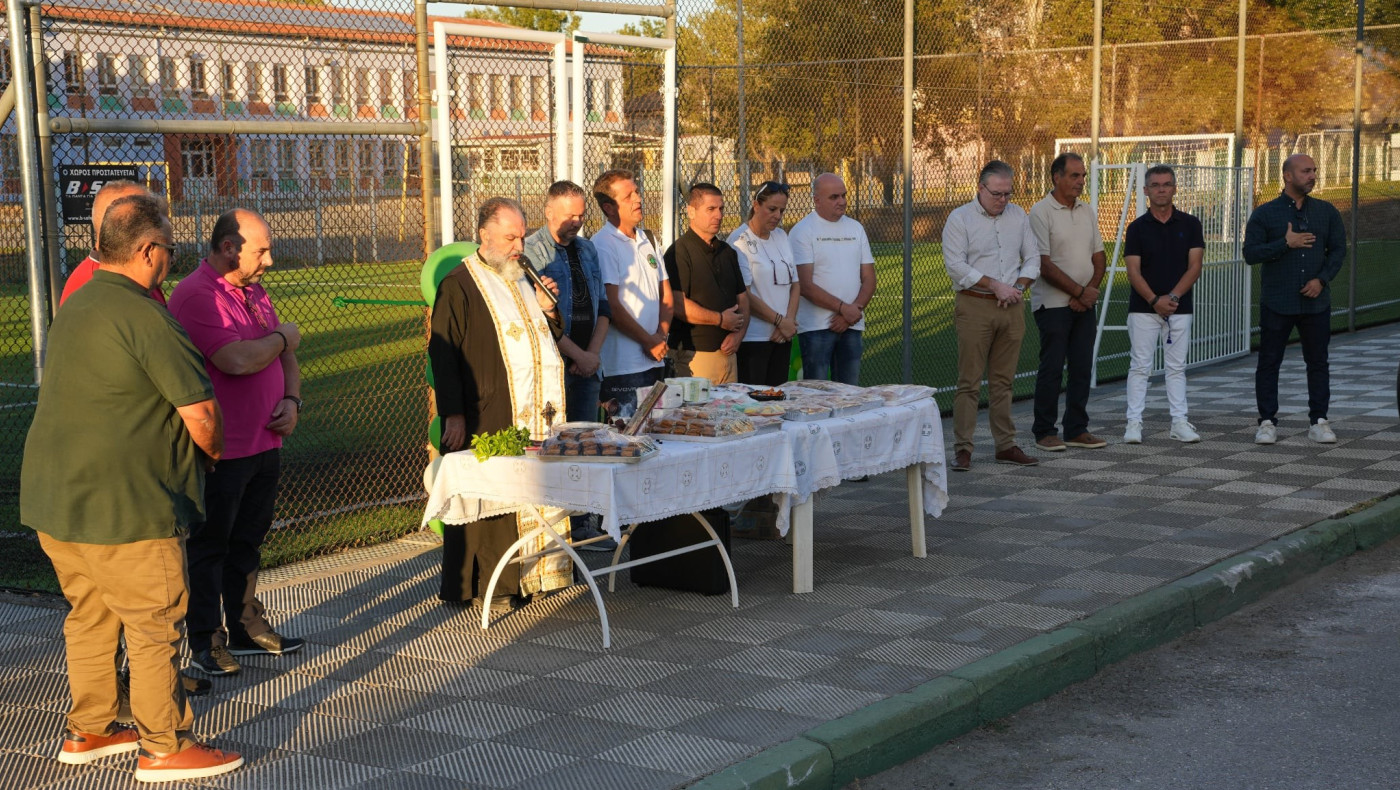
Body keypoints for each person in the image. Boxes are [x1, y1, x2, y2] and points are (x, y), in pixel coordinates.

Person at [20, 194, 243, 782]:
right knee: (154, 626)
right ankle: (164, 745)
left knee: (90, 616)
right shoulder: (147, 315)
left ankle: (90, 728)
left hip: (59, 503)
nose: (170, 257)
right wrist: (213, 456)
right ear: (148, 252)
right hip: (131, 507)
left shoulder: (80, 299)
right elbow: (200, 413)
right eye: (169, 248)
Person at [168, 209, 305, 677]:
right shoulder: (196, 295)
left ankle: (245, 626)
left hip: (266, 442)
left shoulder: (254, 291)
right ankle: (206, 640)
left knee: (248, 540)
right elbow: (237, 360)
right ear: (229, 248)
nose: (270, 259)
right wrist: (282, 337)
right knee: (210, 546)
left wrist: (292, 400)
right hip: (221, 450)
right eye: (261, 250)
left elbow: (284, 358)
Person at [429, 198, 572, 610]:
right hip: (488, 409)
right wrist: (453, 412)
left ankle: (541, 574)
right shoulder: (460, 283)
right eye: (510, 237)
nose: (518, 245)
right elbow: (444, 352)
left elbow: (548, 333)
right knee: (494, 499)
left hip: (537, 411)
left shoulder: (521, 275)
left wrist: (549, 308)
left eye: (522, 236)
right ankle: (496, 582)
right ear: (484, 234)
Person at [524, 180, 614, 551]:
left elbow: (603, 307)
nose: (576, 222)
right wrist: (578, 356)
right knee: (557, 448)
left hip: (588, 365)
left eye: (580, 215)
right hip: (555, 367)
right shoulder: (532, 252)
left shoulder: (589, 250)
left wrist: (591, 356)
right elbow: (537, 318)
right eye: (569, 215)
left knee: (586, 445)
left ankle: (583, 522)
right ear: (548, 212)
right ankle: (560, 525)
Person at [942, 160, 1040, 471]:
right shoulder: (960, 219)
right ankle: (963, 449)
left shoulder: (1018, 215)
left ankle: (1006, 445)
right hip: (975, 304)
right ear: (980, 188)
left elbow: (1033, 257)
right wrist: (995, 285)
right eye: (997, 193)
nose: (1002, 200)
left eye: (1007, 194)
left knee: (1003, 381)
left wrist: (1017, 288)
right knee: (969, 382)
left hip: (1011, 305)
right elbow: (955, 265)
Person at [1244, 153, 1346, 445]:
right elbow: (1250, 254)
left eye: (1314, 170)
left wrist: (1321, 280)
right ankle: (1266, 422)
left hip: (1316, 303)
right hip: (1277, 302)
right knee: (1269, 362)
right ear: (1288, 176)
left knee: (1318, 362)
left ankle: (1319, 421)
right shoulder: (1265, 214)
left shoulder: (1327, 213)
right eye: (1305, 171)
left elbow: (1338, 251)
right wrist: (1284, 244)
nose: (1312, 175)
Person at [1029, 152, 1107, 452]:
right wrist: (1079, 292)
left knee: (1082, 367)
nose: (1080, 181)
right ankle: (1044, 431)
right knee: (1052, 368)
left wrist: (1088, 292)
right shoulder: (1040, 212)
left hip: (1083, 303)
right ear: (1056, 177)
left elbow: (1098, 257)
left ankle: (1076, 428)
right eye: (1074, 175)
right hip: (1052, 305)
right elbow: (1043, 264)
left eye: (1083, 176)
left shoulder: (1087, 210)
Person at [1122, 165, 1206, 445]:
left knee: (1176, 367)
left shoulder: (1191, 224)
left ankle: (1179, 422)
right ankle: (1133, 424)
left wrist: (1172, 298)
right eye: (1155, 185)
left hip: (1178, 308)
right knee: (1139, 367)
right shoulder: (1136, 228)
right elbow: (1133, 271)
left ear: (1175, 188)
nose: (1161, 189)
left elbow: (1195, 266)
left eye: (1167, 184)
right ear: (1145, 190)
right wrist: (1153, 300)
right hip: (1143, 309)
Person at [591, 170, 673, 413]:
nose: (638, 199)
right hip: (623, 369)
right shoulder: (603, 244)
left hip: (656, 357)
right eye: (628, 196)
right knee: (627, 439)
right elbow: (612, 306)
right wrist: (648, 341)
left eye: (637, 192)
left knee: (657, 432)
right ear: (608, 207)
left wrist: (661, 336)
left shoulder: (649, 238)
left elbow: (666, 294)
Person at [790, 173, 876, 385]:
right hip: (816, 328)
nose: (842, 201)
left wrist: (851, 312)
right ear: (816, 200)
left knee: (850, 394)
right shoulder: (802, 231)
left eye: (844, 195)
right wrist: (843, 309)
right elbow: (805, 285)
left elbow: (869, 277)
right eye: (834, 197)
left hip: (852, 325)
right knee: (816, 395)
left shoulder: (856, 228)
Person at [665, 183, 749, 385]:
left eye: (721, 208)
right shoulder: (679, 252)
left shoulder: (728, 252)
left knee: (730, 414)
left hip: (729, 354)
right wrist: (720, 320)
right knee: (696, 415)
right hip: (695, 357)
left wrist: (738, 335)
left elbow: (743, 299)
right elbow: (677, 304)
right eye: (711, 209)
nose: (718, 215)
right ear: (691, 211)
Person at [728, 180, 800, 386]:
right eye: (772, 209)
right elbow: (745, 293)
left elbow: (795, 283)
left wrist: (788, 321)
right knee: (754, 404)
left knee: (777, 401)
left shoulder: (781, 236)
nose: (777, 215)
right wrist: (779, 321)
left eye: (782, 210)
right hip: (755, 338)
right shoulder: (738, 241)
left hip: (782, 336)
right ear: (756, 205)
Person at [60, 180, 167, 306]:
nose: (157, 223)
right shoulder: (93, 284)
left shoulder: (136, 270)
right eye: (145, 214)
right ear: (115, 221)